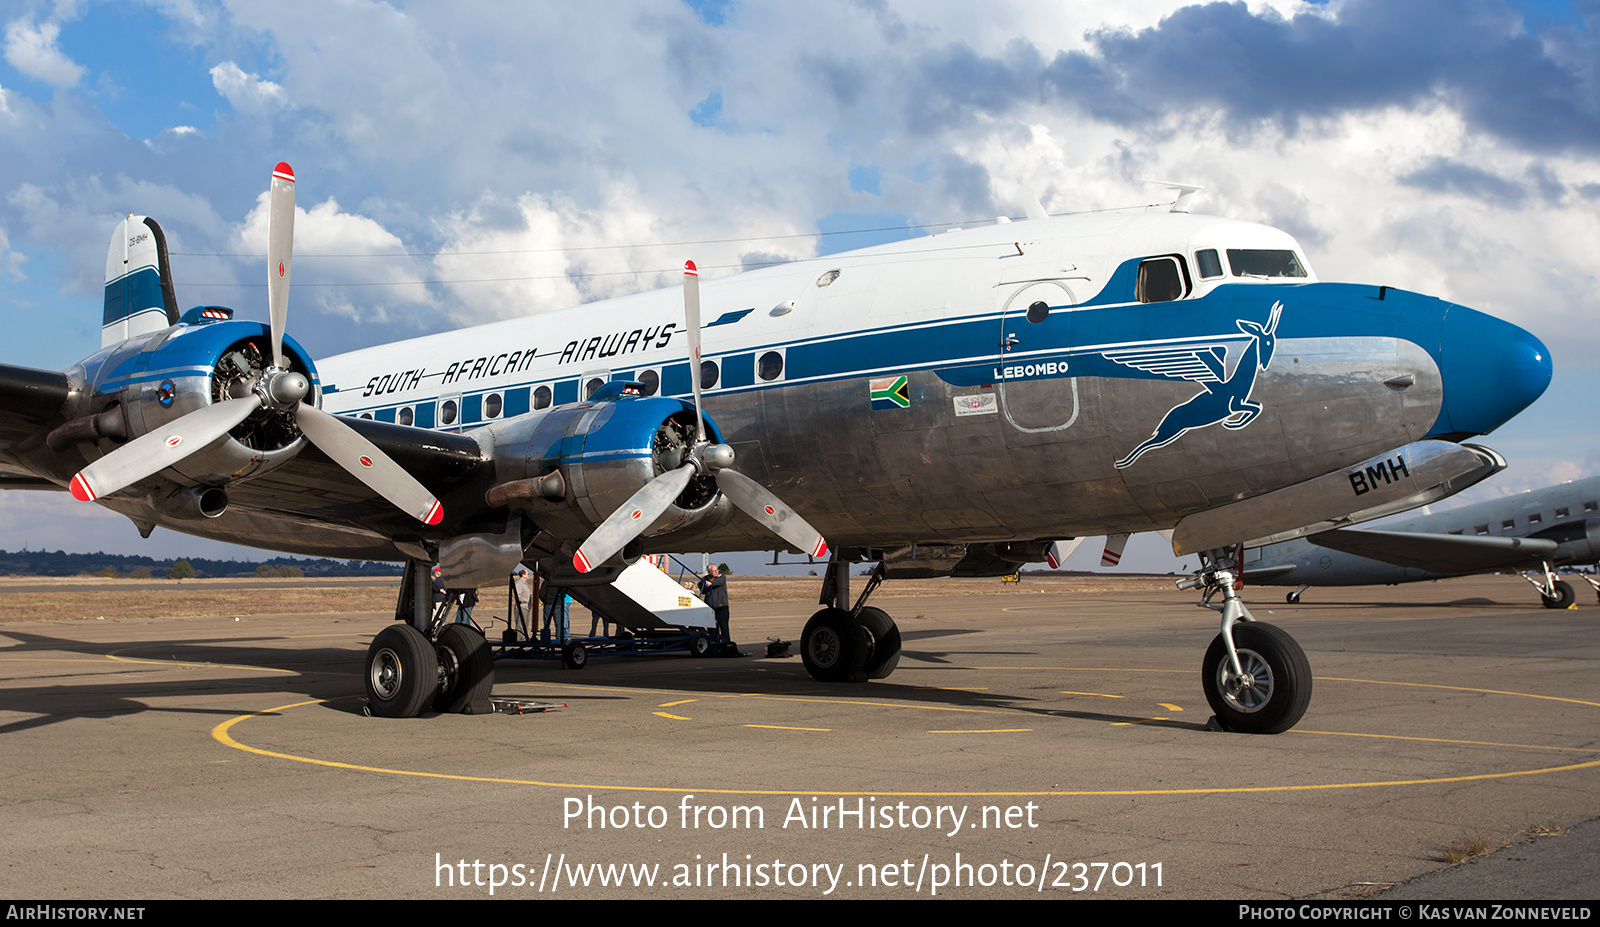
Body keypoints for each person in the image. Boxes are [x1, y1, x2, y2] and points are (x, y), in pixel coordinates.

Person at [698, 564, 730, 649]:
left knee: (724, 629)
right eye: (714, 571)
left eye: (717, 570)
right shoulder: (705, 579)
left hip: (722, 608)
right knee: (712, 630)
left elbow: (719, 582)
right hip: (710, 609)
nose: (716, 572)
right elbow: (700, 585)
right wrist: (704, 584)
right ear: (709, 572)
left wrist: (711, 583)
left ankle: (727, 646)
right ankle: (714, 647)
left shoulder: (721, 577)